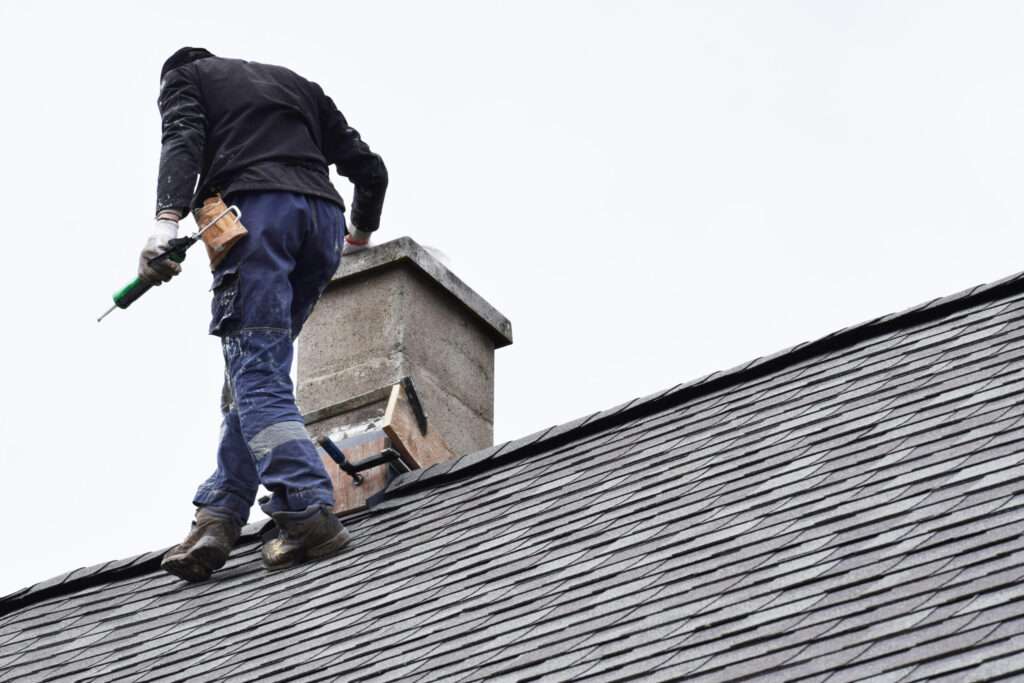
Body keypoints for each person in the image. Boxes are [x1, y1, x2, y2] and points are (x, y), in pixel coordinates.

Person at [144, 47, 388, 581]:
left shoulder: (185, 76)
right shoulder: (296, 84)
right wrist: (360, 234)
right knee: (257, 373)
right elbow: (371, 170)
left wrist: (165, 223)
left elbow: (182, 139)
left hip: (257, 216)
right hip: (321, 224)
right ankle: (221, 513)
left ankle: (306, 508)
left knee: (255, 373)